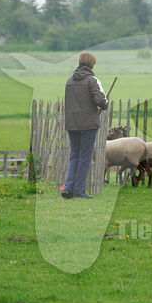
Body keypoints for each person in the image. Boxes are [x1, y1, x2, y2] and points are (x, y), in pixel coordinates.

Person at [61, 52, 108, 199]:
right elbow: (101, 101)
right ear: (91, 64)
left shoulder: (69, 81)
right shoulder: (92, 80)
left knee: (74, 156)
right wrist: (103, 104)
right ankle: (79, 191)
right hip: (88, 124)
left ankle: (68, 189)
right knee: (85, 158)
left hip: (72, 124)